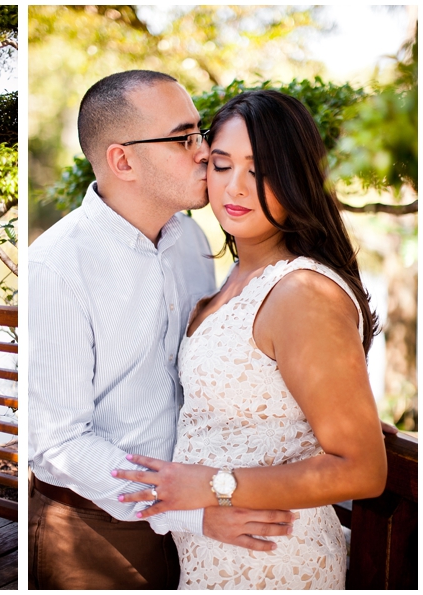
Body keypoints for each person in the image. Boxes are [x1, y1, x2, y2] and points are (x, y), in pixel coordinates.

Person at [28, 71, 296, 590]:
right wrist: (190, 514)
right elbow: (58, 443)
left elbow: (214, 365)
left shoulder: (193, 239)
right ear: (122, 160)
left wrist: (309, 412)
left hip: (203, 512)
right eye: (183, 137)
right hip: (101, 530)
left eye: (200, 131)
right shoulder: (56, 268)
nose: (204, 151)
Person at [112, 90, 387, 589]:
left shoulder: (303, 290)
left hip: (273, 561)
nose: (235, 188)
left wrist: (212, 486)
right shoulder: (239, 274)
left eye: (259, 171)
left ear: (296, 176)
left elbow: (364, 469)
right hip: (214, 560)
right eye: (221, 165)